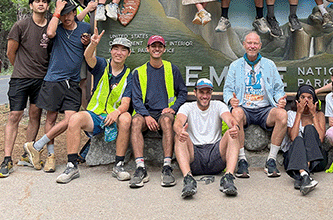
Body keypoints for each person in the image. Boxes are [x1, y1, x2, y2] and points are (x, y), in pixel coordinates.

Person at [55, 30, 133, 184]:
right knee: (75, 119)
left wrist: (116, 113)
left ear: (128, 53)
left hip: (114, 117)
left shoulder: (130, 74)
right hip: (95, 115)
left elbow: (126, 102)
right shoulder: (102, 65)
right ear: (111, 51)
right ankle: (72, 165)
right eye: (116, 48)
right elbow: (88, 57)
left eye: (123, 49)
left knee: (126, 118)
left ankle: (119, 165)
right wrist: (92, 44)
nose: (119, 52)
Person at [24, 0, 91, 173]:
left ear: (75, 13)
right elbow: (50, 32)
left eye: (69, 13)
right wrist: (57, 11)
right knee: (51, 119)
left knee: (71, 120)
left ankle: (37, 145)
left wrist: (88, 42)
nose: (66, 17)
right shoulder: (58, 29)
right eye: (63, 14)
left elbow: (91, 45)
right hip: (54, 80)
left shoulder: (84, 29)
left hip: (73, 82)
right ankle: (50, 156)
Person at [0, 0, 51, 178]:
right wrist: (20, 69)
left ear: (48, 6)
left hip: (41, 80)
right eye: (37, 1)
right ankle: (7, 158)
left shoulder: (51, 28)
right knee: (15, 115)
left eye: (44, 2)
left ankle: (29, 153)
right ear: (31, 5)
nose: (41, 4)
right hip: (20, 79)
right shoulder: (21, 26)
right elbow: (11, 52)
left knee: (35, 115)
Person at [223, 31, 287, 178]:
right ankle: (242, 160)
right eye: (249, 43)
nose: (252, 46)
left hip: (265, 108)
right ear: (244, 45)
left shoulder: (269, 65)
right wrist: (230, 100)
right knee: (236, 112)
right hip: (245, 108)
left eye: (255, 43)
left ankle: (271, 159)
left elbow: (278, 88)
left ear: (260, 45)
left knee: (282, 115)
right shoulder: (235, 65)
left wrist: (279, 100)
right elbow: (227, 89)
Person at [129, 35, 187, 188]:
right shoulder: (139, 72)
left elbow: (182, 92)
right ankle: (140, 168)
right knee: (135, 122)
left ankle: (167, 167)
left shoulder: (171, 68)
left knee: (167, 121)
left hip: (164, 113)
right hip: (145, 112)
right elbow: (136, 99)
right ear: (147, 49)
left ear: (164, 49)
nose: (156, 49)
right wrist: (146, 116)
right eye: (153, 46)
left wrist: (173, 108)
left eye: (159, 46)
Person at [174, 78, 240, 198]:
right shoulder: (187, 107)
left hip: (216, 154)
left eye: (208, 92)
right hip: (195, 156)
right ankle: (188, 179)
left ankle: (228, 177)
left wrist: (234, 126)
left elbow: (229, 118)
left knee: (233, 133)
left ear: (211, 93)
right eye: (201, 92)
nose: (205, 96)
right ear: (195, 93)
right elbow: (178, 122)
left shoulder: (218, 105)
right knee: (180, 136)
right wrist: (180, 130)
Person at [281, 84, 325, 195]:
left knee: (309, 128)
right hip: (294, 158)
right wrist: (299, 113)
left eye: (309, 98)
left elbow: (320, 139)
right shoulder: (291, 114)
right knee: (299, 140)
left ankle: (301, 175)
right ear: (297, 100)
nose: (306, 100)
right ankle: (305, 175)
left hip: (316, 159)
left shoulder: (319, 115)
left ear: (314, 100)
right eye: (303, 97)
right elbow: (293, 138)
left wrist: (313, 114)